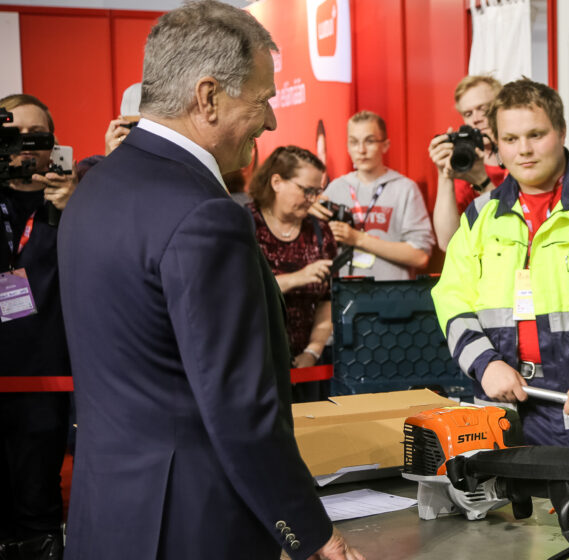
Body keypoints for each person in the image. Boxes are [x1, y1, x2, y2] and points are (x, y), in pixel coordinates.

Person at [56, 2, 362, 559]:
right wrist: (311, 532)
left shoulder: (95, 187)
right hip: (192, 524)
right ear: (207, 97)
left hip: (109, 517)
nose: (271, 121)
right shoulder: (204, 213)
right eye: (263, 99)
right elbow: (239, 405)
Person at [432, 78, 569, 448]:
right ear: (497, 145)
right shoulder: (480, 216)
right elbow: (451, 298)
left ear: (562, 131)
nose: (524, 150)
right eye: (511, 139)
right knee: (511, 507)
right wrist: (485, 363)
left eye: (536, 134)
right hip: (504, 408)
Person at [0, 93, 77, 560]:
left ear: (55, 147)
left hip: (44, 382)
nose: (26, 148)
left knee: (38, 503)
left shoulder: (73, 205)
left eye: (38, 138)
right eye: (12, 137)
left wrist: (75, 209)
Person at [247, 145, 336, 403]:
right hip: (255, 364)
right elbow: (239, 293)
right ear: (277, 181)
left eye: (316, 191)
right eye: (306, 190)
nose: (312, 199)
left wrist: (313, 350)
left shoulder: (320, 233)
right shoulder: (246, 226)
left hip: (308, 368)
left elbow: (327, 301)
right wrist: (299, 277)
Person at [315, 111, 433, 280]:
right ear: (347, 146)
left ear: (385, 145)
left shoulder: (405, 189)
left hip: (391, 296)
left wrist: (358, 239)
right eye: (354, 142)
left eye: (369, 141)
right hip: (344, 296)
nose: (361, 150)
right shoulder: (335, 189)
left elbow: (420, 256)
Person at [429, 75, 509, 249]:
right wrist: (444, 175)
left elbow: (514, 229)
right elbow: (447, 242)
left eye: (484, 109)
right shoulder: (464, 166)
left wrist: (482, 181)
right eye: (468, 113)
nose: (476, 119)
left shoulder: (522, 157)